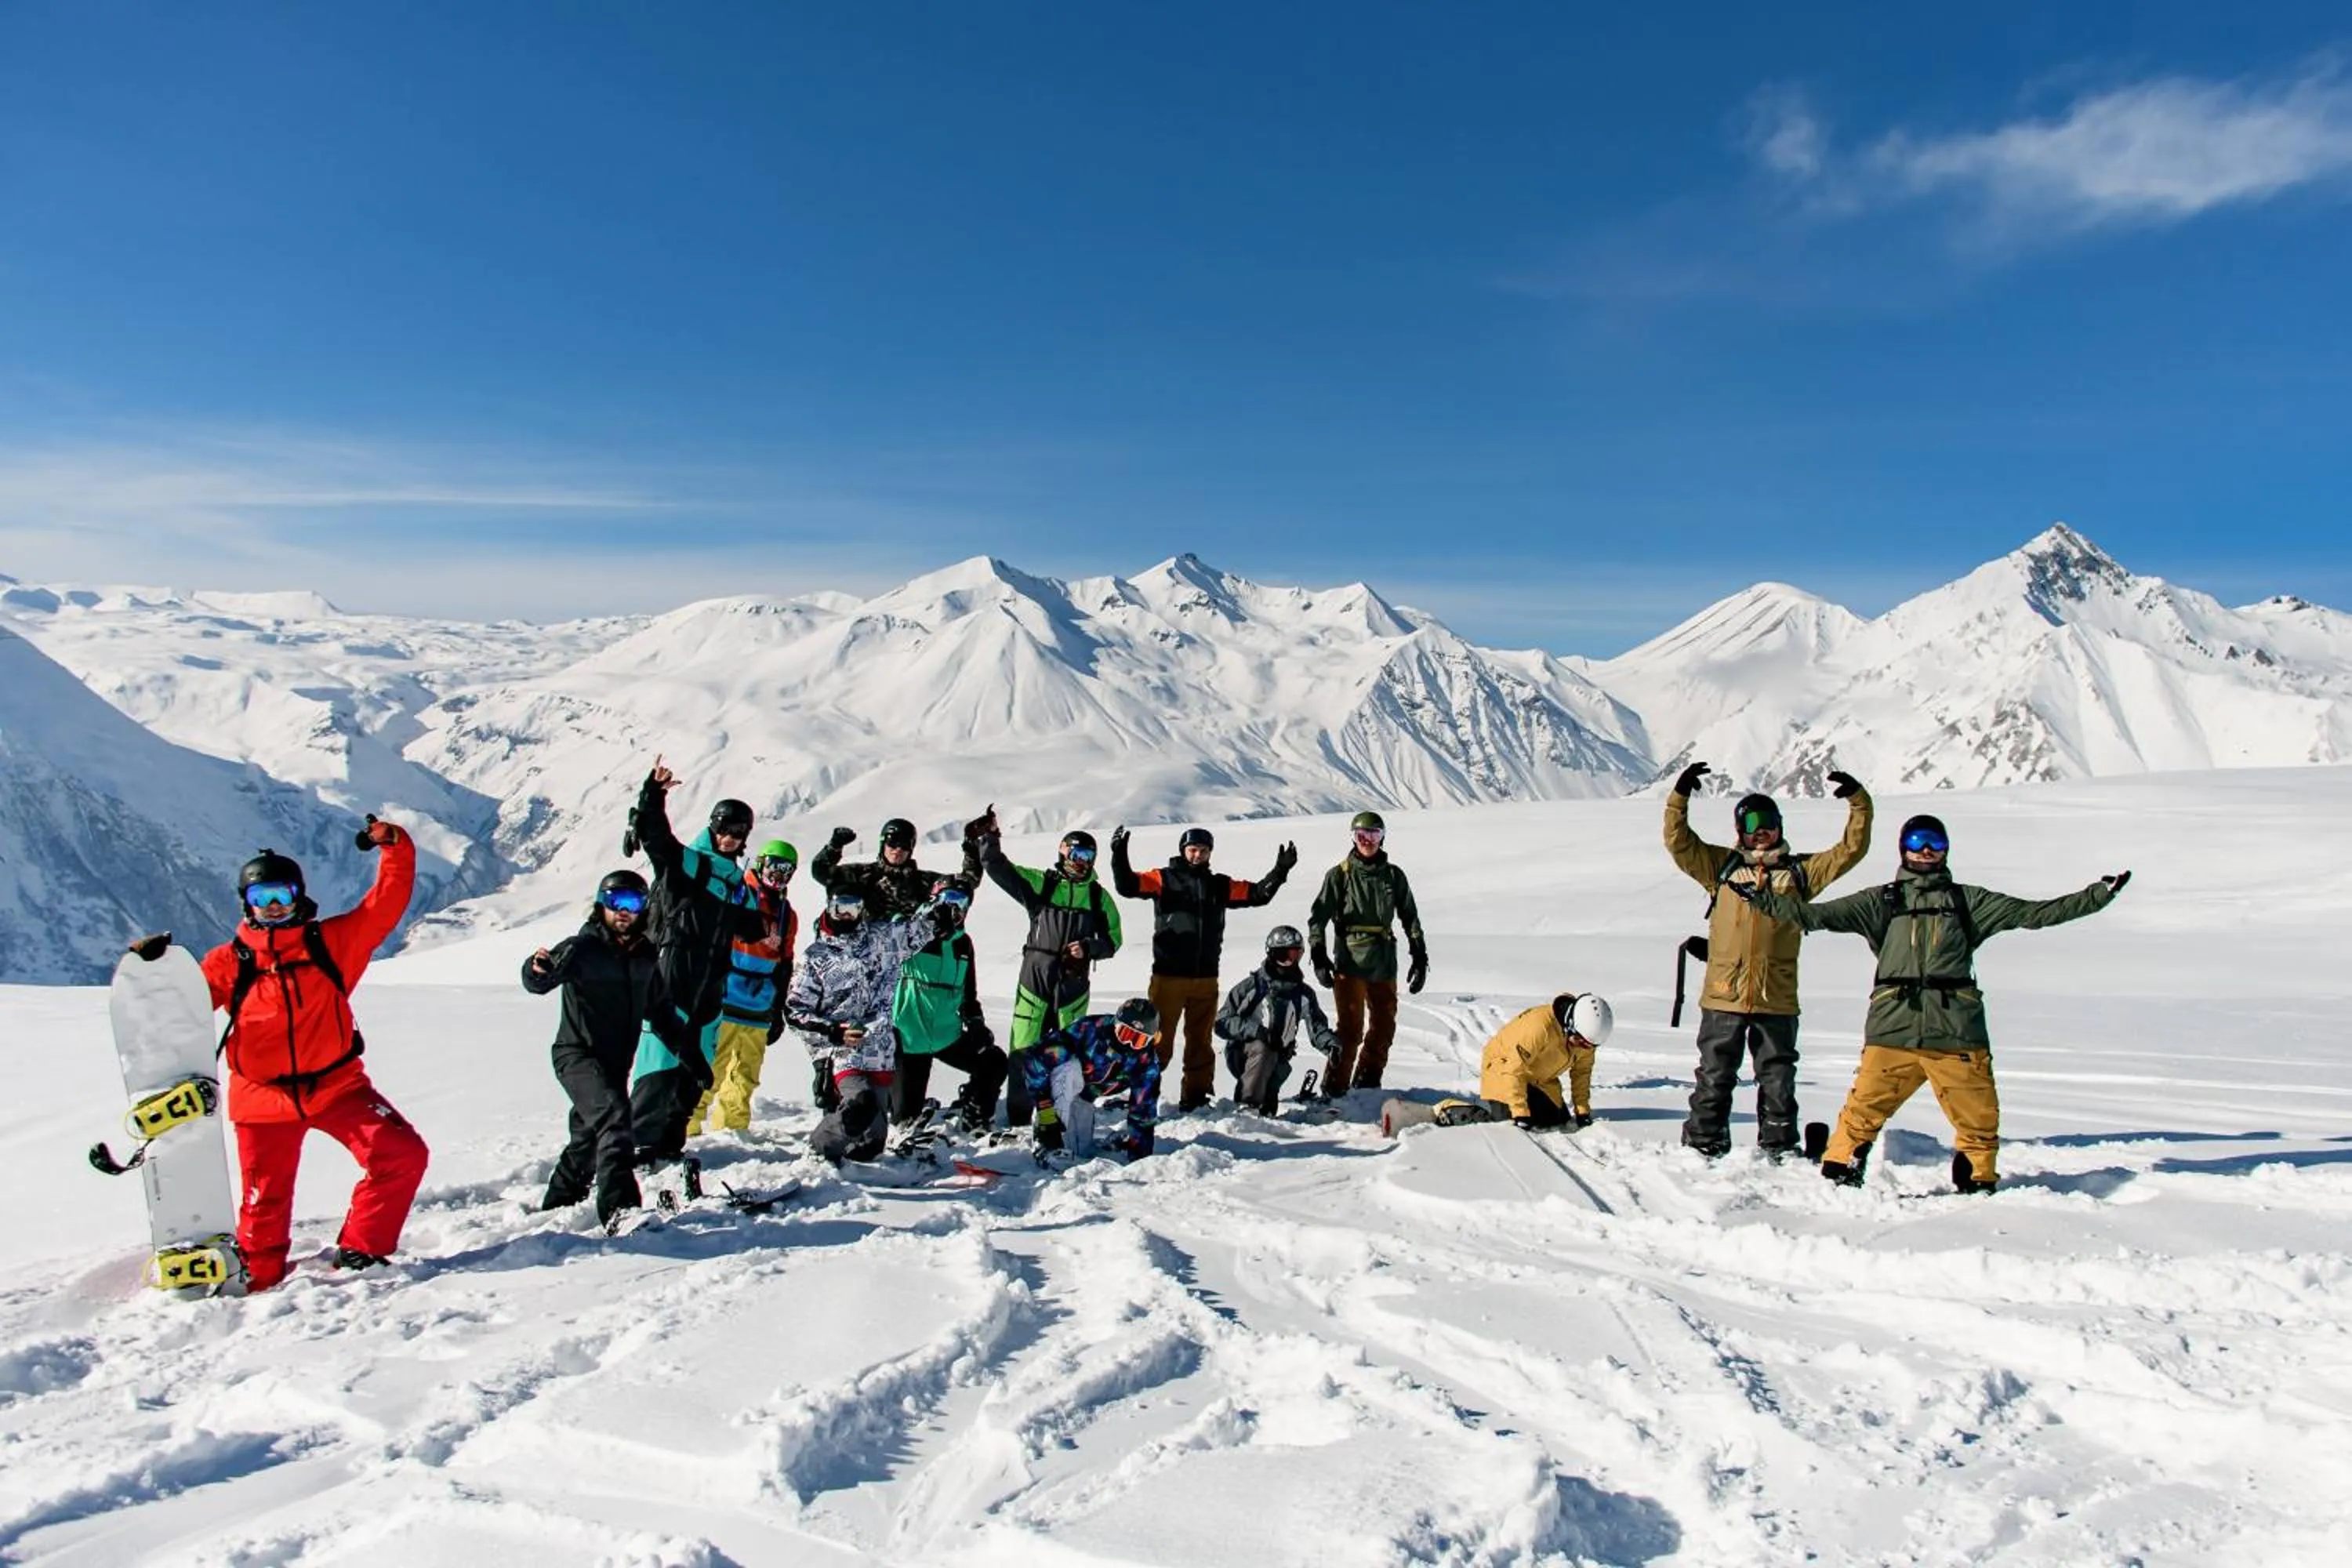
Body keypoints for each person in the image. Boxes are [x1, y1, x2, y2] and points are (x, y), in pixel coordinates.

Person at [1733, 814, 2129, 1193]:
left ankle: (1977, 1178)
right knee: (1863, 1109)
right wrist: (1764, 900)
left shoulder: (1967, 901)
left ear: (1946, 850)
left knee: (1978, 1117)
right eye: (1917, 842)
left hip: (1955, 1032)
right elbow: (1813, 916)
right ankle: (1842, 1166)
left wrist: (2097, 896)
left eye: (1934, 843)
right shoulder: (1881, 901)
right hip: (1893, 1028)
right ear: (1903, 848)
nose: (1925, 851)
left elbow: (2037, 914)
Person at [198, 816, 427, 1290]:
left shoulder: (331, 944)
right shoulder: (229, 962)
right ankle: (258, 1280)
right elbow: (182, 1009)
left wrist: (395, 848)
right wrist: (154, 971)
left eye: (283, 895)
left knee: (401, 1155)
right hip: (262, 1101)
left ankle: (363, 1250)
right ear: (247, 906)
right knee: (265, 1204)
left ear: (300, 895)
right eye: (263, 899)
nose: (275, 907)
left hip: (337, 1086)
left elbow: (385, 906)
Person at [1663, 762, 1873, 1159]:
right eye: (1753, 822)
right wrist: (1679, 798)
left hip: (1774, 996)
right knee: (1714, 1075)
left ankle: (1778, 1146)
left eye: (1769, 821)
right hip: (1724, 994)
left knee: (1777, 1077)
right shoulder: (1721, 868)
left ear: (1780, 826)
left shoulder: (1800, 874)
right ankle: (1703, 1143)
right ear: (1740, 830)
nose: (1762, 831)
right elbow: (1679, 844)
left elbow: (1850, 851)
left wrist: (1859, 804)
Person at [523, 870, 699, 1229]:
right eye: (615, 901)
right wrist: (536, 969)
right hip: (577, 1055)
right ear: (601, 904)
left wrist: (690, 1055)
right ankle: (621, 1210)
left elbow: (662, 1012)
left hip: (617, 1062)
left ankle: (559, 1204)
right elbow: (540, 979)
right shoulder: (581, 948)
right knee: (617, 1121)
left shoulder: (645, 956)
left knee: (588, 1138)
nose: (623, 911)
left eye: (632, 903)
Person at [628, 759, 761, 1163]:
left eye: (738, 833)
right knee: (661, 1059)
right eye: (724, 829)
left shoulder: (738, 884)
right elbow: (657, 839)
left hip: (712, 982)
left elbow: (752, 929)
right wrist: (653, 794)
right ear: (713, 827)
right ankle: (637, 1145)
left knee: (695, 1068)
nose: (730, 838)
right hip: (673, 973)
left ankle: (669, 1143)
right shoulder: (692, 863)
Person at [1111, 824, 1298, 1111]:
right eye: (1192, 849)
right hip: (1168, 977)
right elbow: (1128, 886)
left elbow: (1259, 894)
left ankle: (1196, 1097)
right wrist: (1119, 855)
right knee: (1159, 1040)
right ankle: (1142, 1092)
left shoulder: (1219, 885)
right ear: (1183, 850)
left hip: (1206, 979)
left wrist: (1280, 871)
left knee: (1200, 1043)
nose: (1197, 855)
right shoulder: (1164, 878)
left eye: (1203, 850)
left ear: (1210, 853)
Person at [967, 804, 1123, 1123]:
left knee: (1067, 1053)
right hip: (1035, 977)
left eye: (1089, 855)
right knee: (1024, 1047)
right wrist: (989, 836)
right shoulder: (1043, 884)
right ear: (1064, 853)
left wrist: (1090, 947)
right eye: (1077, 853)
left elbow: (1114, 940)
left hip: (1073, 985)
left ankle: (1062, 1116)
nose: (1082, 861)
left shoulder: (1098, 897)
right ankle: (1020, 1117)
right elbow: (999, 868)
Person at [784, 887, 946, 1164]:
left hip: (881, 1052)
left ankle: (854, 1177)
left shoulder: (882, 940)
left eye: (854, 908)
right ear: (830, 908)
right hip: (842, 1051)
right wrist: (832, 1032)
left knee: (871, 1145)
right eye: (841, 908)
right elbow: (795, 1012)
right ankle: (817, 1152)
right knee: (861, 1104)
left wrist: (940, 913)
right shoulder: (815, 958)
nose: (847, 916)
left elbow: (918, 931)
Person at [1305, 810, 1426, 1096]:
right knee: (1350, 1030)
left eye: (1374, 835)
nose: (1367, 841)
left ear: (1382, 839)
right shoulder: (1339, 876)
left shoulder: (1394, 876)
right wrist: (1318, 953)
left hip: (1384, 960)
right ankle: (1334, 1087)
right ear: (1353, 838)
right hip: (1350, 960)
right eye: (1362, 835)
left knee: (1384, 1026)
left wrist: (1419, 955)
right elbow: (1318, 917)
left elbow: (1410, 916)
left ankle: (1367, 1084)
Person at [688, 839, 799, 1135]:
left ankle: (733, 1131)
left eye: (786, 870)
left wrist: (778, 1008)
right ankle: (686, 1129)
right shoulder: (739, 894)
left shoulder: (788, 915)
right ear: (761, 863)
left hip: (760, 1004)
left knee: (746, 1076)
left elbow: (785, 963)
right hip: (725, 998)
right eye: (774, 866)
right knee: (711, 1069)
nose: (778, 875)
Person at [888, 879, 1011, 1134]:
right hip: (910, 1039)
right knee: (904, 1121)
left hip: (946, 1035)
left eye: (962, 902)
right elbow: (893, 938)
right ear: (934, 900)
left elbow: (968, 994)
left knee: (994, 1061)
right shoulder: (908, 930)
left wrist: (976, 1023)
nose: (955, 908)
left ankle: (974, 1114)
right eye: (948, 899)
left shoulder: (963, 944)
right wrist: (927, 923)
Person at [1214, 925, 1338, 1113]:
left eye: (1294, 956)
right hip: (1244, 1054)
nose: (1289, 962)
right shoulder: (1252, 987)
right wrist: (1257, 1032)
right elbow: (1222, 1022)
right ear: (1271, 955)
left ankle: (1264, 1110)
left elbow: (1317, 1027)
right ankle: (1247, 1105)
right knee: (1265, 1049)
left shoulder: (1303, 994)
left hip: (1278, 1060)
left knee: (1269, 1108)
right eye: (1283, 956)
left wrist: (1330, 1045)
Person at [1022, 997, 1165, 1162]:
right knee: (1069, 1068)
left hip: (1086, 1096)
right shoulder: (1090, 1030)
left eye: (1138, 1041)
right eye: (1125, 1034)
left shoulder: (1146, 1064)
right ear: (1115, 1024)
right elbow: (1036, 1058)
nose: (1129, 1044)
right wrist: (1044, 1108)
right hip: (1062, 1084)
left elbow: (1143, 1113)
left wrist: (1140, 1159)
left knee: (1079, 1150)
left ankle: (1071, 1143)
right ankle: (1046, 1142)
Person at [1480, 993, 1616, 1130]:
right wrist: (1520, 1114)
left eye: (1589, 1046)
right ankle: (1471, 1112)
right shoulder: (1539, 1028)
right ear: (1570, 1025)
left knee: (1553, 1121)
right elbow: (1514, 1071)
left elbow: (1582, 1073)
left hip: (1539, 1078)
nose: (1583, 1047)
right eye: (1580, 1041)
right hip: (1503, 1070)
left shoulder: (1586, 1038)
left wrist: (1582, 1111)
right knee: (1510, 1121)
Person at [811, 816, 982, 920]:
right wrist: (834, 847)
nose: (897, 850)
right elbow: (820, 871)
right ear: (883, 844)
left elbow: (967, 882)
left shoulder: (924, 882)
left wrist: (972, 851)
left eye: (904, 845)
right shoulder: (862, 875)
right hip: (867, 959)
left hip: (911, 964)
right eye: (893, 842)